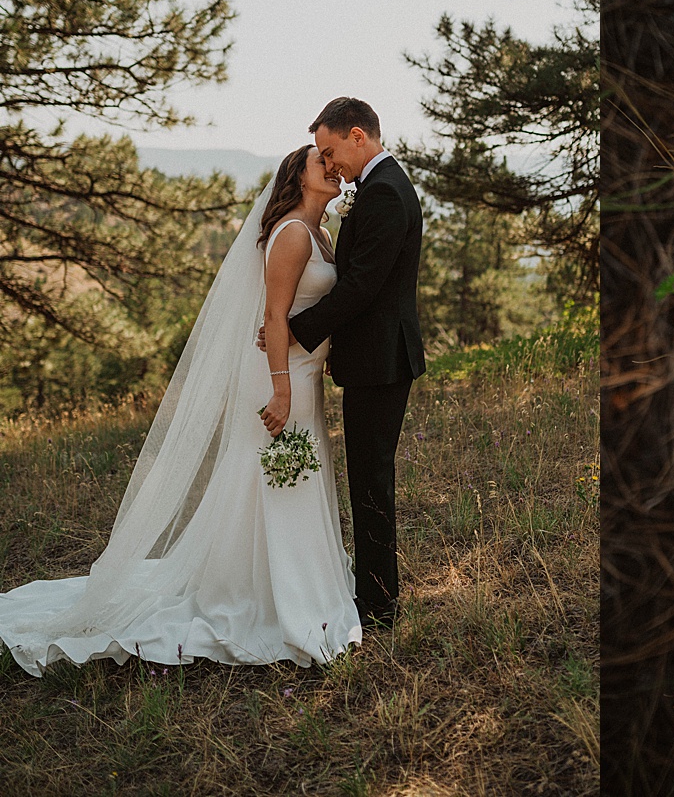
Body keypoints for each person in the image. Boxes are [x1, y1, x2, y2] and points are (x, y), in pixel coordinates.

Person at [0, 144, 362, 675]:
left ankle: (291, 581)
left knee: (295, 474)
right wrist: (281, 389)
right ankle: (265, 596)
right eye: (319, 163)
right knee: (273, 475)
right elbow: (275, 315)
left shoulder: (320, 234)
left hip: (302, 371)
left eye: (332, 163)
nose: (331, 169)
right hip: (277, 375)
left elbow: (320, 309)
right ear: (297, 178)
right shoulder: (289, 234)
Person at [269, 97, 426, 630]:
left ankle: (379, 606)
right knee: (367, 477)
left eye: (331, 151)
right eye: (322, 156)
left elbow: (361, 286)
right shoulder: (381, 185)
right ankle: (374, 595)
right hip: (375, 358)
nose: (330, 163)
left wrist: (298, 332)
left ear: (358, 136)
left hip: (382, 361)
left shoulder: (383, 192)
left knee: (371, 480)